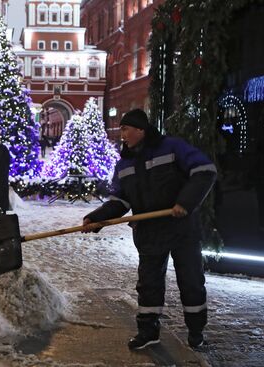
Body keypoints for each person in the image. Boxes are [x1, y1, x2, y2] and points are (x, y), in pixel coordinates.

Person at [82, 109, 217, 350]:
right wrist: (95, 218)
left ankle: (196, 332)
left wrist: (185, 203)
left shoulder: (172, 147)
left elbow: (204, 171)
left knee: (191, 281)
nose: (121, 134)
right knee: (148, 284)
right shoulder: (124, 164)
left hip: (181, 228)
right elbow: (120, 201)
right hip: (149, 232)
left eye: (125, 129)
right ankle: (148, 331)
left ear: (140, 130)